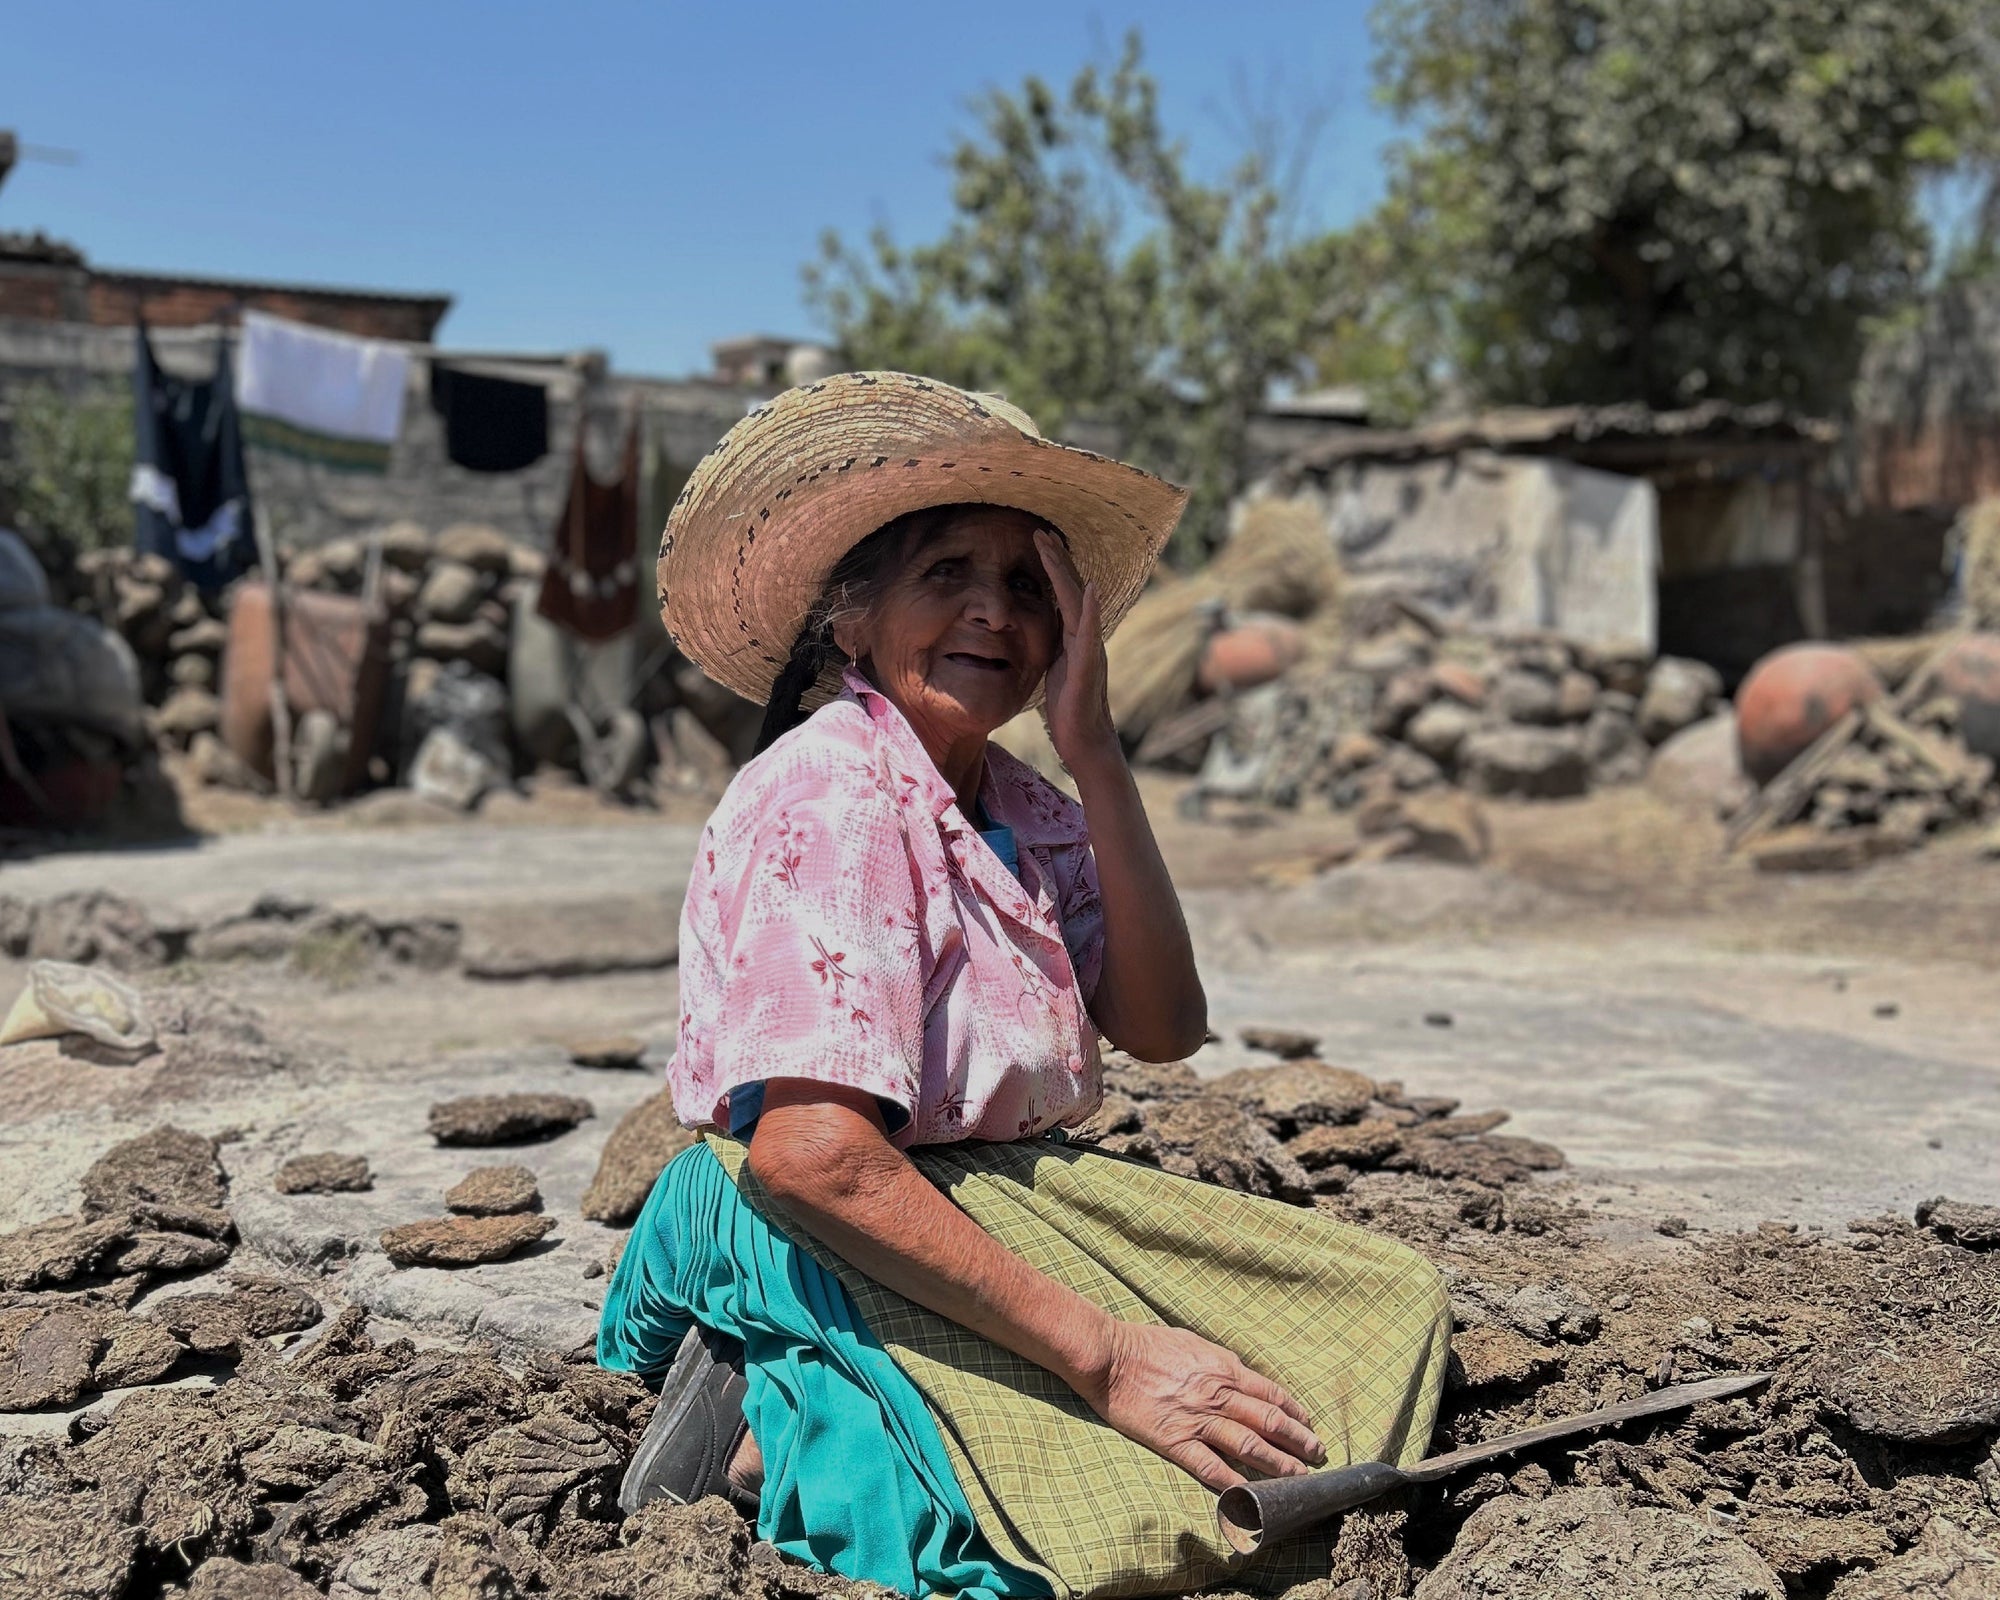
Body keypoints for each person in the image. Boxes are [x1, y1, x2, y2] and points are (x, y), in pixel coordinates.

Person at [599, 374, 1450, 1600]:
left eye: (1023, 586)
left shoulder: (1026, 806)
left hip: (992, 1193)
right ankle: (783, 1413)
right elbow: (811, 1153)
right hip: (804, 1203)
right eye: (945, 572)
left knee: (1383, 1305)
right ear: (849, 617)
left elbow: (1164, 1026)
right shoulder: (832, 791)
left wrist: (1094, 749)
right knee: (1081, 1521)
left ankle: (846, 1390)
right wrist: (1106, 1359)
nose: (990, 613)